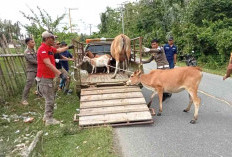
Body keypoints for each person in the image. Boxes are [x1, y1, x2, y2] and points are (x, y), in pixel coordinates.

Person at [36, 31, 73, 126]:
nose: (54, 40)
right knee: (50, 99)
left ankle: (46, 117)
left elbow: (59, 50)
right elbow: (48, 63)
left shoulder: (49, 48)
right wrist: (60, 74)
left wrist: (68, 47)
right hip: (44, 78)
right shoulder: (42, 49)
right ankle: (49, 120)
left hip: (48, 77)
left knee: (50, 98)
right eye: (53, 38)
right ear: (47, 39)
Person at [21, 38, 37, 105]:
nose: (34, 43)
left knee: (39, 81)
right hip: (31, 70)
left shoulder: (33, 50)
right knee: (29, 84)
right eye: (32, 42)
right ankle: (24, 99)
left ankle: (38, 92)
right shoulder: (27, 52)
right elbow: (33, 61)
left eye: (33, 42)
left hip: (36, 69)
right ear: (28, 43)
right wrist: (43, 62)